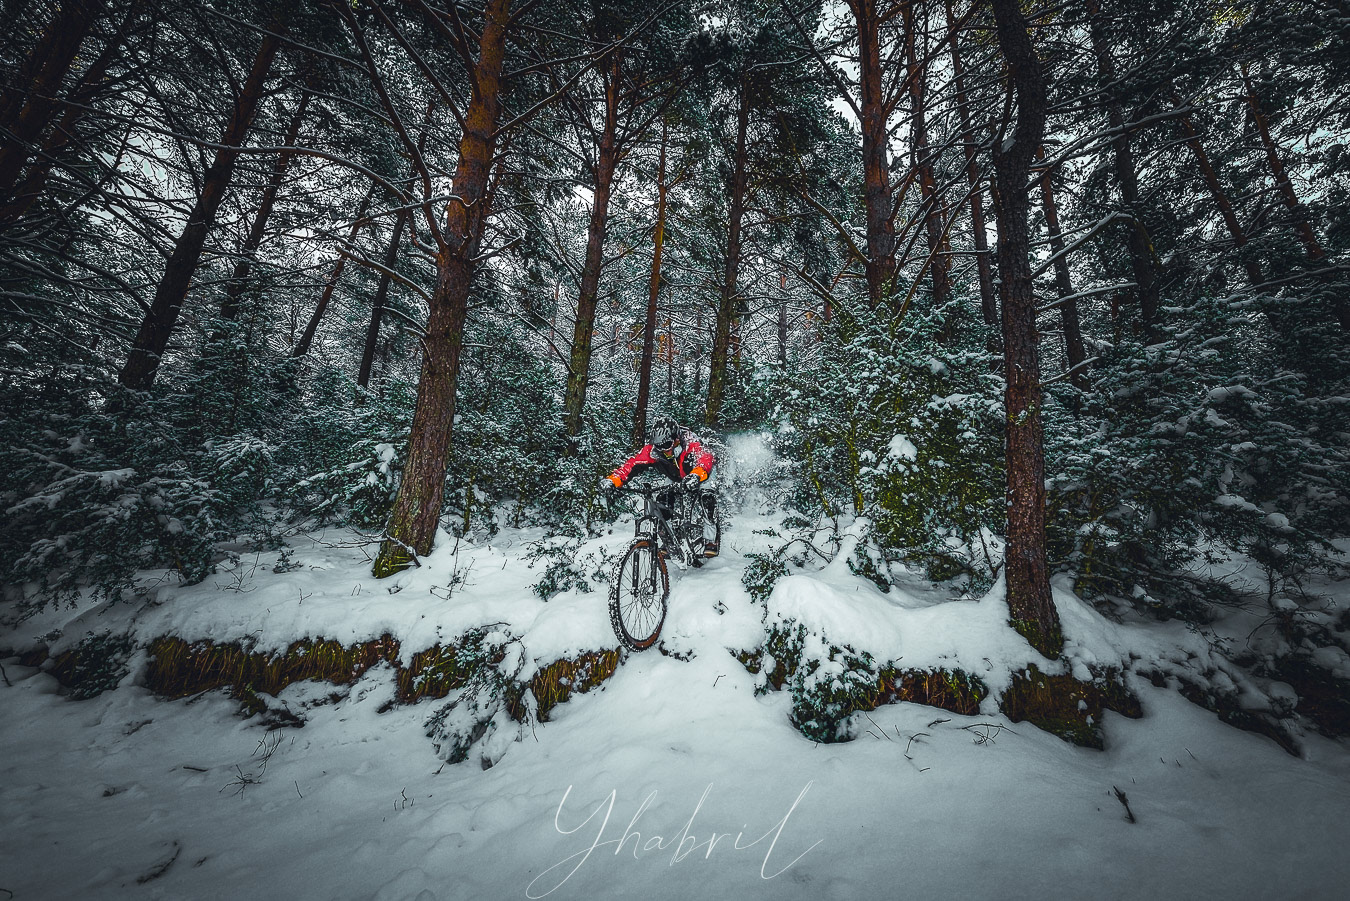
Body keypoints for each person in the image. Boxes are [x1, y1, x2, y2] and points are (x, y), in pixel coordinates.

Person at [600, 415, 719, 557]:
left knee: (707, 496)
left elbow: (705, 459)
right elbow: (631, 465)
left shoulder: (690, 442)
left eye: (667, 445)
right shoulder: (653, 451)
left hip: (702, 472)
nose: (663, 450)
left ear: (676, 439)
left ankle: (711, 539)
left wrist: (696, 476)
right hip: (676, 477)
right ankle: (672, 540)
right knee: (663, 501)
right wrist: (613, 480)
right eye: (659, 447)